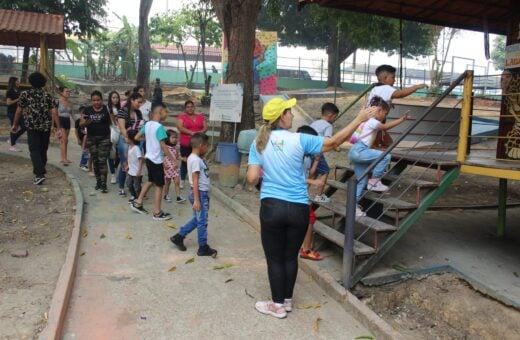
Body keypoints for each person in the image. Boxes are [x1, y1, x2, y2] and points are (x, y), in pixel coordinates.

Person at [245, 97, 376, 319]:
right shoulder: (300, 139)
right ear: (281, 117)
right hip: (299, 209)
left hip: (272, 207)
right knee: (290, 257)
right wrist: (359, 119)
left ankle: (276, 306)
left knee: (275, 259)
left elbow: (251, 178)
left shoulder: (258, 143)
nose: (292, 115)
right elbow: (334, 142)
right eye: (289, 111)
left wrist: (267, 176)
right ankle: (286, 301)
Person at [349, 96, 409, 216]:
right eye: (385, 113)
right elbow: (384, 127)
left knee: (361, 181)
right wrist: (401, 120)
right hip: (360, 150)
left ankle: (353, 207)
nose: (385, 116)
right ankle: (375, 181)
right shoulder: (372, 121)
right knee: (385, 156)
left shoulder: (364, 120)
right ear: (379, 110)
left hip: (354, 152)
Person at [170, 133, 217, 257]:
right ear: (201, 146)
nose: (207, 149)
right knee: (202, 221)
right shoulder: (195, 160)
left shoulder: (195, 158)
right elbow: (195, 180)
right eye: (207, 146)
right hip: (200, 194)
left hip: (200, 193)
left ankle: (178, 237)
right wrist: (197, 199)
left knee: (197, 219)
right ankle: (203, 247)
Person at [11, 72, 60, 185]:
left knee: (34, 150)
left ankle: (39, 174)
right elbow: (54, 112)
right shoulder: (47, 95)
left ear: (31, 82)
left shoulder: (25, 94)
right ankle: (40, 171)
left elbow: (18, 111)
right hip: (45, 127)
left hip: (32, 126)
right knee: (43, 149)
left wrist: (14, 124)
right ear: (43, 83)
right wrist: (58, 127)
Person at [130, 103, 173, 221]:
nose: (166, 114)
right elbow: (164, 147)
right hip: (156, 160)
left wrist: (148, 139)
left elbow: (137, 137)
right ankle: (157, 213)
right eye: (165, 112)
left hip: (148, 158)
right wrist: (173, 160)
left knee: (150, 181)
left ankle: (138, 202)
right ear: (160, 112)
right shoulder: (159, 128)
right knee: (159, 186)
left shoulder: (147, 124)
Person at [295, 125, 325, 261]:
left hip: (301, 194)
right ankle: (305, 250)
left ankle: (304, 247)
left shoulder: (307, 157)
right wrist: (312, 182)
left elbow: (310, 173)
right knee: (310, 218)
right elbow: (293, 177)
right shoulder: (295, 156)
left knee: (309, 218)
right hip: (294, 194)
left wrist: (317, 160)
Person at [80, 91, 112, 193]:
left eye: (98, 100)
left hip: (104, 138)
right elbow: (81, 124)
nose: (96, 102)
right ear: (91, 101)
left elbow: (112, 123)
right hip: (91, 139)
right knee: (95, 161)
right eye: (94, 100)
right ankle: (98, 182)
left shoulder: (107, 109)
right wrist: (86, 122)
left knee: (102, 161)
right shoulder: (87, 110)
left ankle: (104, 184)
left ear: (102, 100)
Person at [309, 102, 339, 203]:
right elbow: (327, 141)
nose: (334, 120)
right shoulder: (328, 126)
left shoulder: (314, 123)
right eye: (335, 117)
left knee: (313, 174)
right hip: (317, 152)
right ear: (331, 115)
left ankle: (303, 192)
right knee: (325, 171)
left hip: (308, 151)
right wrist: (335, 147)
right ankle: (319, 195)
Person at [117, 92, 144, 196]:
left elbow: (139, 127)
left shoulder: (138, 113)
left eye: (141, 103)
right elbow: (122, 127)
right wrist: (128, 139)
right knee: (125, 164)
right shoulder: (122, 111)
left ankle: (134, 189)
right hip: (125, 140)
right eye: (138, 102)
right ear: (132, 99)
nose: (139, 104)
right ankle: (121, 187)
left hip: (136, 140)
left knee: (134, 164)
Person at [176, 100, 208, 188]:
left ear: (194, 107)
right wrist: (191, 133)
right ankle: (182, 180)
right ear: (185, 108)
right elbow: (180, 127)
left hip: (198, 144)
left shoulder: (200, 117)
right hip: (186, 143)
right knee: (185, 161)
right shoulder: (182, 117)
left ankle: (197, 180)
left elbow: (205, 127)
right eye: (188, 107)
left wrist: (199, 133)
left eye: (191, 106)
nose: (190, 108)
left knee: (198, 160)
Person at [163, 129, 186, 204]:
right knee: (168, 183)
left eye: (176, 138)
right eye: (173, 137)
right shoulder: (165, 147)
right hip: (168, 168)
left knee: (177, 182)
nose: (175, 139)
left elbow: (177, 157)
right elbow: (161, 157)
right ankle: (166, 195)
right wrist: (164, 164)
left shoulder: (176, 147)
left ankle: (178, 197)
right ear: (167, 138)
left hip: (175, 168)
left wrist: (183, 159)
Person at [57, 86, 76, 165]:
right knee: (63, 140)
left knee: (65, 141)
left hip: (67, 121)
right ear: (61, 92)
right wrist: (54, 126)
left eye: (69, 91)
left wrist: (78, 123)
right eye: (66, 91)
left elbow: (73, 115)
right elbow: (54, 113)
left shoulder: (70, 103)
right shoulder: (58, 101)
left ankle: (63, 158)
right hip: (60, 120)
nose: (68, 93)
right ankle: (64, 159)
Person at [6, 76, 26, 152]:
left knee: (24, 126)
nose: (19, 82)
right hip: (12, 112)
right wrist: (18, 99)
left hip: (19, 112)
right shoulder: (10, 91)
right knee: (15, 127)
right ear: (14, 82)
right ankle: (12, 145)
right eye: (18, 81)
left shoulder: (18, 90)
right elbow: (8, 103)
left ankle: (12, 139)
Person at [126, 129, 144, 204]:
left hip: (137, 172)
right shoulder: (130, 147)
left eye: (127, 137)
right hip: (131, 171)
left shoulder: (136, 148)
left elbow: (140, 159)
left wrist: (139, 170)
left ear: (131, 139)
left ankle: (138, 197)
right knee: (129, 183)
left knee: (137, 186)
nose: (125, 139)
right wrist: (127, 165)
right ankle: (134, 195)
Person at [107, 90, 121, 184]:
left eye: (117, 97)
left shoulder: (121, 108)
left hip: (120, 132)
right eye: (113, 97)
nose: (115, 99)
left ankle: (115, 168)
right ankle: (112, 173)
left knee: (119, 154)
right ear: (110, 98)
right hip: (110, 132)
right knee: (111, 154)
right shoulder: (107, 108)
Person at [75, 105, 90, 171]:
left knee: (87, 151)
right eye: (83, 112)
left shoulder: (88, 120)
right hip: (82, 138)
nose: (84, 114)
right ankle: (82, 164)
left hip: (87, 138)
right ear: (80, 113)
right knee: (85, 151)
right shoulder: (78, 121)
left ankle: (85, 163)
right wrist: (78, 139)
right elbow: (76, 130)